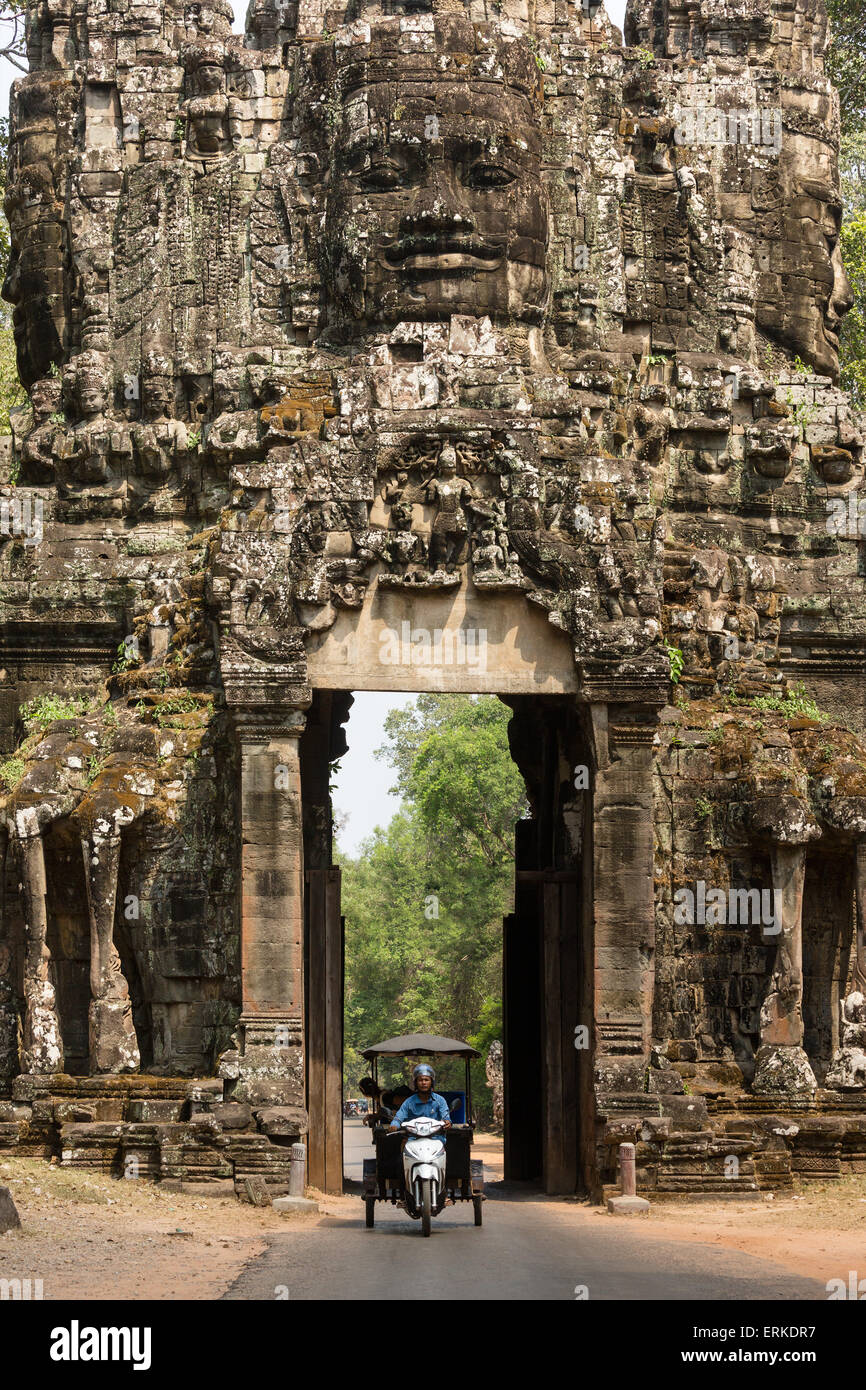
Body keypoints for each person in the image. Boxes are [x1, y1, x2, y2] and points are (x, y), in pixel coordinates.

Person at [389, 1064, 452, 1142]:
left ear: (431, 1082)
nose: (423, 1083)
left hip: (436, 1139)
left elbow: (445, 1116)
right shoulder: (409, 1102)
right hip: (413, 1139)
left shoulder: (440, 1100)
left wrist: (447, 1122)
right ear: (416, 1083)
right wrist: (394, 1125)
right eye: (420, 1080)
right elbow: (399, 1117)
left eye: (426, 1080)